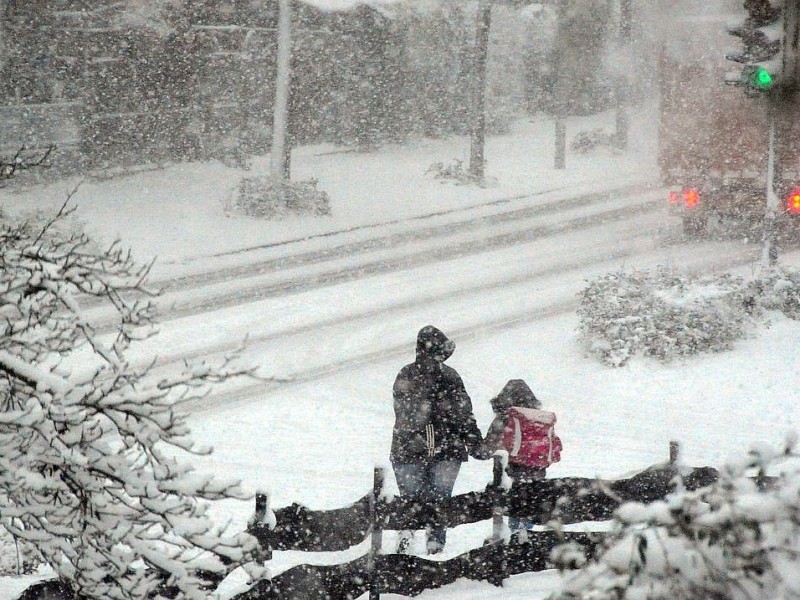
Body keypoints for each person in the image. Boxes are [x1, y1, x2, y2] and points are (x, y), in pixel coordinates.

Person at [390, 325, 485, 555]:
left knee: (410, 501)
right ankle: (435, 549)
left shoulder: (406, 375)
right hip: (447, 449)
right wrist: (474, 442)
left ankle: (406, 540)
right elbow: (463, 413)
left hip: (408, 449)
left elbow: (404, 415)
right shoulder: (450, 376)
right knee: (440, 502)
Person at [482, 379, 561, 542]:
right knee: (529, 504)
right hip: (537, 469)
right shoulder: (539, 419)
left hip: (512, 470)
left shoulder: (506, 417)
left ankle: (512, 539)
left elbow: (488, 446)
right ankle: (524, 538)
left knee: (513, 504)